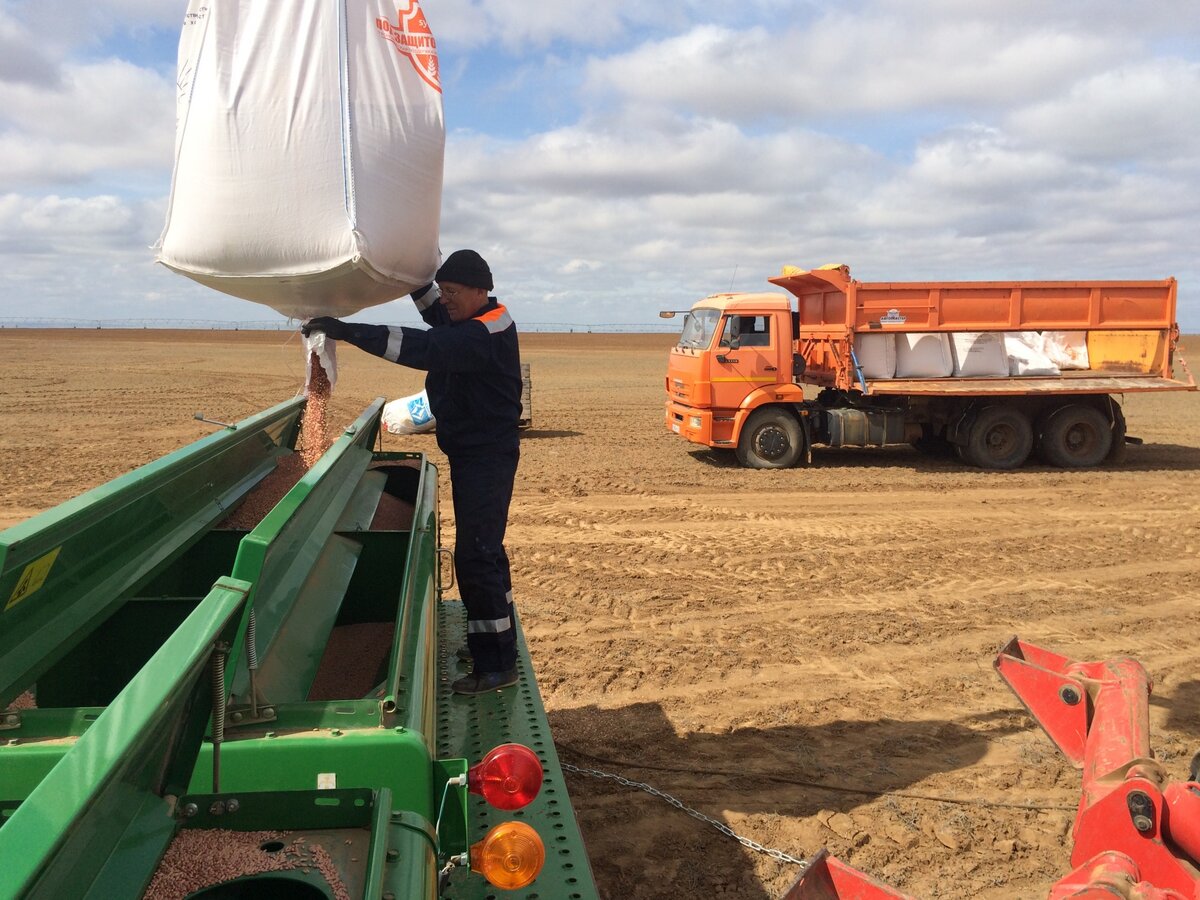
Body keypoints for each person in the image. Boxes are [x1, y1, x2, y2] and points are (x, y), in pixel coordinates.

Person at [302, 250, 522, 695]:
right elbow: (433, 310)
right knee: (486, 552)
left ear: (481, 290)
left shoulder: (484, 331)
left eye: (453, 293)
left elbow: (422, 346)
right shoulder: (467, 317)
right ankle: (494, 641)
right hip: (472, 453)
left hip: (487, 457)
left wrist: (347, 331)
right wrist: (409, 268)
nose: (445, 301)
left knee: (477, 554)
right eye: (444, 292)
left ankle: (497, 664)